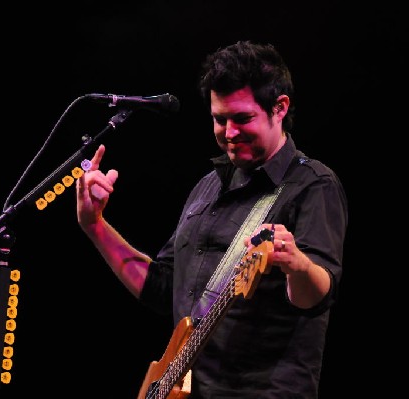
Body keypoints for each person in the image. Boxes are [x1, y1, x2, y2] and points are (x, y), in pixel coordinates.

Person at [76, 40, 348, 398]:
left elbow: (316, 296)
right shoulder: (207, 187)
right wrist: (95, 226)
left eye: (243, 118)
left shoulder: (312, 185)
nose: (230, 133)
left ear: (280, 108)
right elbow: (162, 288)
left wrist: (297, 265)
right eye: (220, 120)